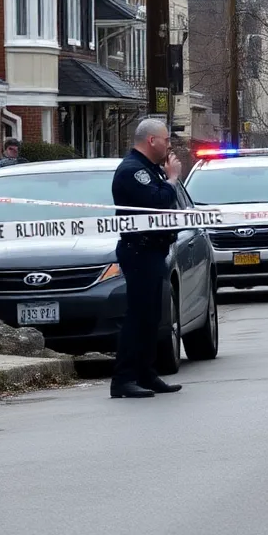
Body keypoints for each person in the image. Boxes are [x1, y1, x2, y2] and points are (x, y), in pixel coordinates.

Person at [109, 118, 184, 399]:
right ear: (151, 140)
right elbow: (158, 202)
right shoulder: (132, 171)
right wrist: (173, 179)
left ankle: (146, 374)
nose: (169, 144)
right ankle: (123, 379)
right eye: (166, 139)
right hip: (140, 251)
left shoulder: (149, 169)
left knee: (151, 316)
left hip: (154, 250)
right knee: (138, 316)